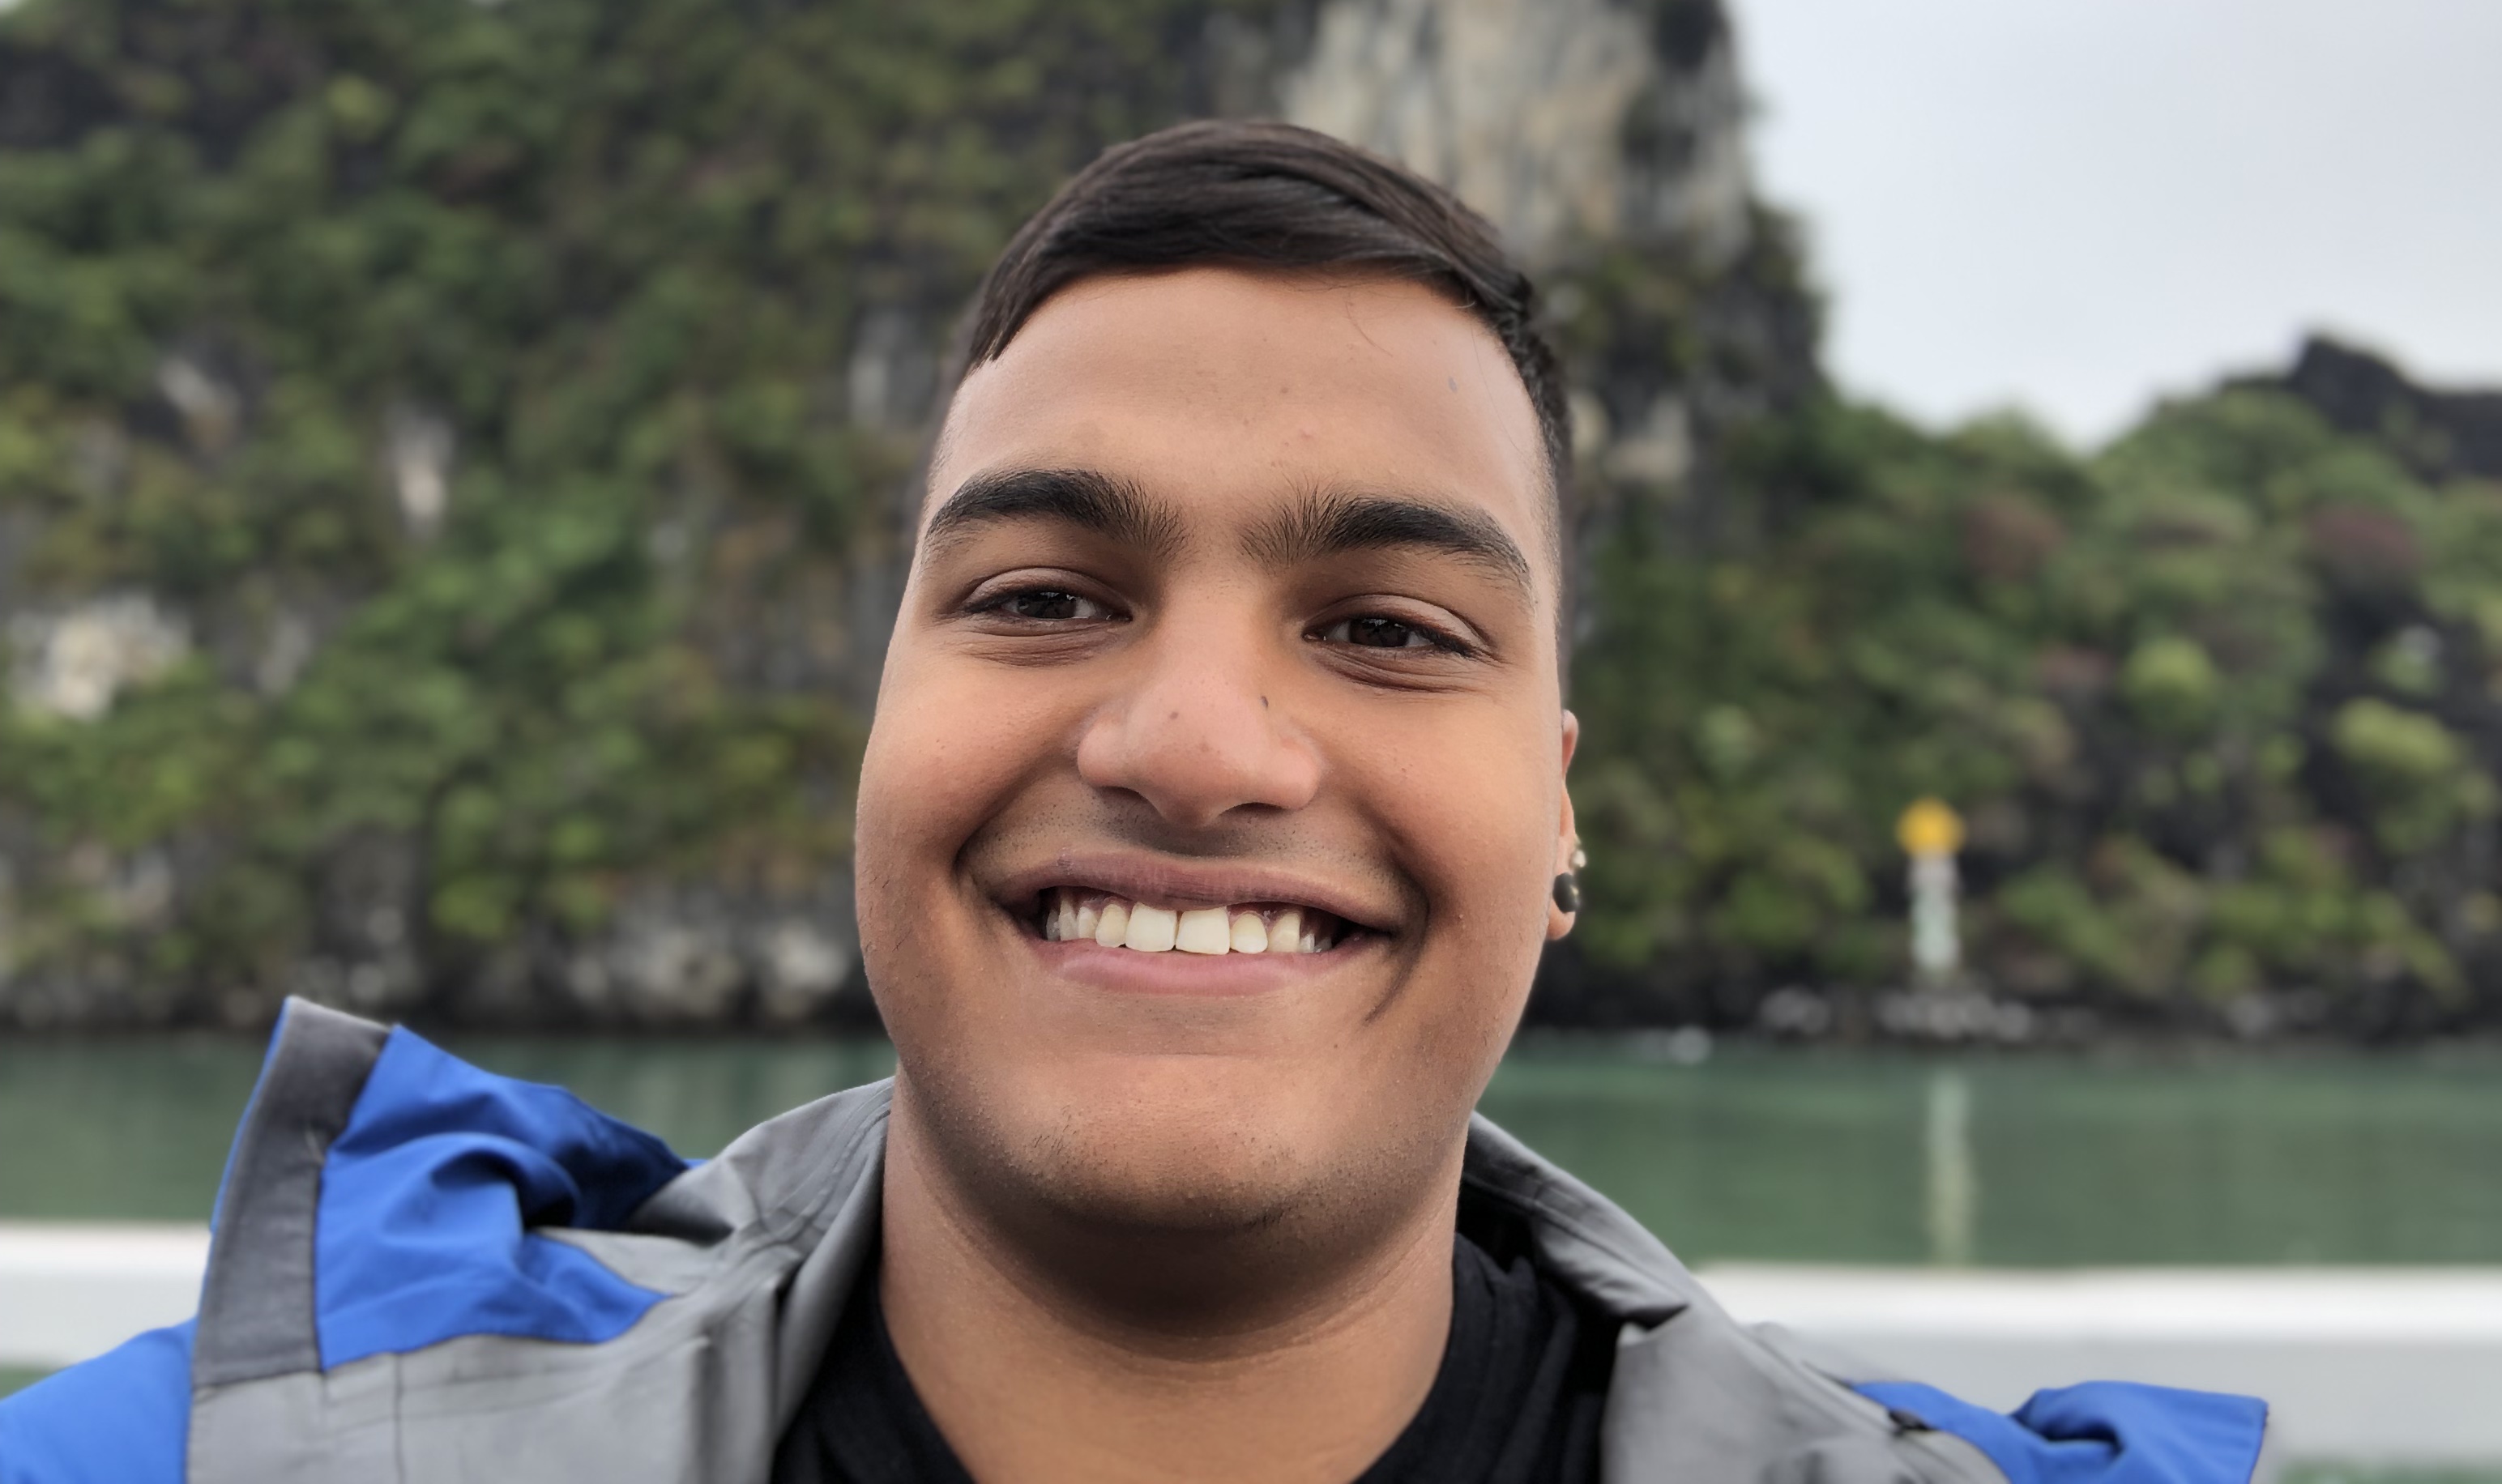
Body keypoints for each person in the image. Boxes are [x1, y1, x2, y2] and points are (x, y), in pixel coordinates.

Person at [0, 122, 2267, 1483]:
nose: (1192, 745)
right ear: (877, 725)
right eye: (1046, 592)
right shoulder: (227, 1456)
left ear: (1561, 812)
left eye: (1388, 627)